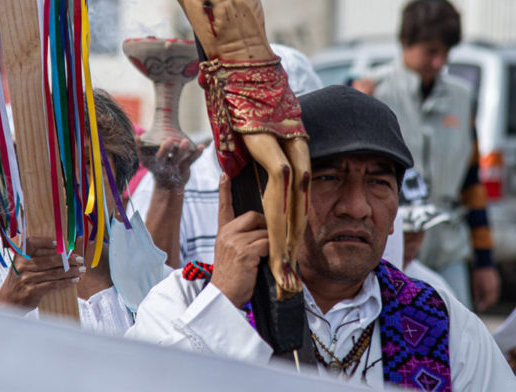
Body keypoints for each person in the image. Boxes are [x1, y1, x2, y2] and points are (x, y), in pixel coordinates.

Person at [28, 0, 327, 300]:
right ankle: (283, 267)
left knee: (303, 172)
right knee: (279, 168)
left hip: (272, 76)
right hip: (237, 83)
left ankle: (292, 257)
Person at [126, 85, 514, 390]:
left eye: (379, 182)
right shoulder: (188, 299)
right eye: (329, 178)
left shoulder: (444, 326)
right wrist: (223, 304)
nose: (356, 206)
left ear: (396, 210)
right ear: (274, 193)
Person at [353, 0, 500, 311]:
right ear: (406, 41)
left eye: (446, 53)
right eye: (431, 51)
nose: (439, 62)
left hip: (449, 249)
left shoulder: (462, 100)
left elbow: (472, 186)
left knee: (457, 340)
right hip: (393, 250)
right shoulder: (370, 92)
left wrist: (485, 262)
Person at [0, 89, 142, 336]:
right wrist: (9, 300)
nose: (71, 179)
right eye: (54, 161)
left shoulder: (152, 281)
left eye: (89, 162)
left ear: (118, 184)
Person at [131, 43, 323, 267]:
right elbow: (145, 290)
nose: (274, 129)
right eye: (258, 114)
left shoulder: (324, 178)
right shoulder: (179, 183)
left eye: (288, 117)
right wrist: (167, 192)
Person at [399, 167, 455, 295]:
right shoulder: (355, 284)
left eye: (420, 231)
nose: (413, 243)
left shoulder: (435, 288)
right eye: (405, 233)